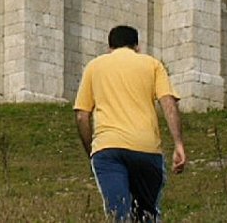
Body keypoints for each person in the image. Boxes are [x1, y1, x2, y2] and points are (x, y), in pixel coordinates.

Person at [74, 25, 186, 222]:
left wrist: (91, 151)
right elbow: (168, 104)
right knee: (147, 214)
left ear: (109, 47)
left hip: (108, 149)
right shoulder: (153, 64)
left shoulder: (94, 66)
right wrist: (178, 144)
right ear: (137, 46)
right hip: (147, 150)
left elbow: (82, 116)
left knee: (119, 213)